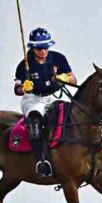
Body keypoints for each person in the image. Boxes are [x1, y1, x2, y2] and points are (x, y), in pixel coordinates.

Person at [14, 27, 77, 177]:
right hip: (34, 99)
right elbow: (16, 90)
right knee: (35, 121)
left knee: (73, 117)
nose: (43, 51)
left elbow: (73, 79)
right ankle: (41, 162)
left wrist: (65, 78)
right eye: (39, 48)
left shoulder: (58, 58)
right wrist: (24, 88)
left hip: (56, 95)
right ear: (33, 48)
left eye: (46, 47)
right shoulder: (24, 65)